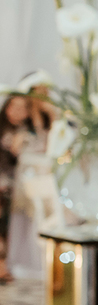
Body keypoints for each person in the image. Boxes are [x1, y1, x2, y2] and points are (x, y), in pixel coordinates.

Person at [0, 94, 32, 284]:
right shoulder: (3, 129)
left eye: (23, 108)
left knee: (8, 226)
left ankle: (4, 264)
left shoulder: (27, 130)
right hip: (3, 182)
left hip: (16, 185)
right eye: (15, 107)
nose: (19, 112)